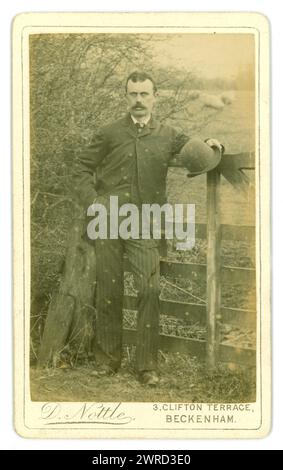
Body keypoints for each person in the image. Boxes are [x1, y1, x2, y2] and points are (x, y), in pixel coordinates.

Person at [74, 71, 222, 386]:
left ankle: (146, 366)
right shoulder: (109, 133)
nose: (138, 101)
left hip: (144, 224)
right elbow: (81, 167)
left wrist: (210, 142)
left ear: (155, 97)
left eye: (144, 94)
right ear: (125, 97)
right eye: (133, 94)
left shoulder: (167, 134)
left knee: (150, 289)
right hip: (109, 220)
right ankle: (107, 361)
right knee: (109, 292)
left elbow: (191, 146)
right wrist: (93, 202)